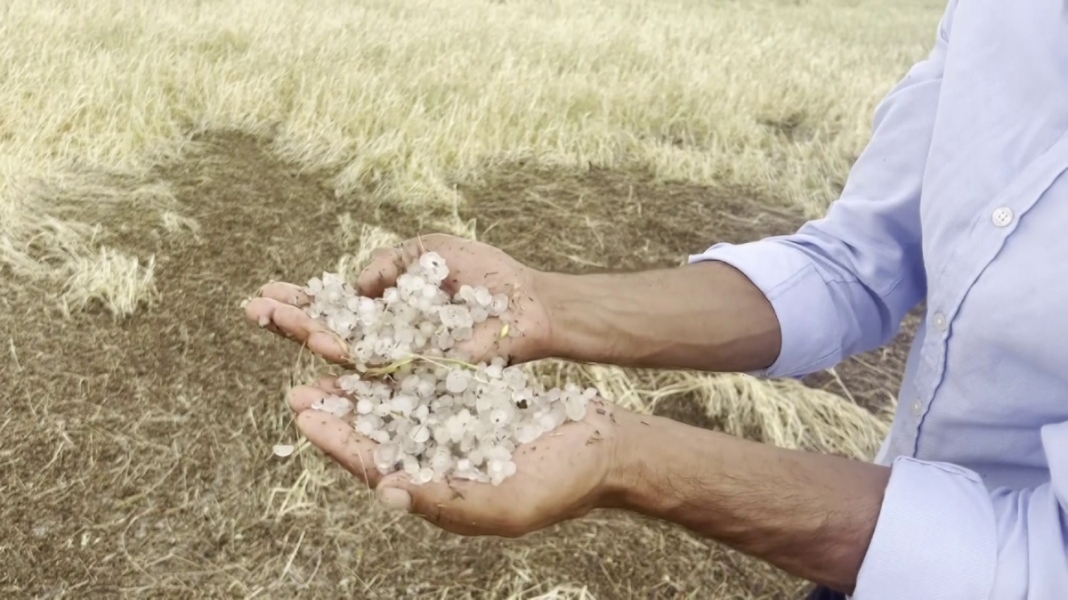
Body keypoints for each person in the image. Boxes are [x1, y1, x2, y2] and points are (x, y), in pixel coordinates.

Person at [245, 1, 1068, 597]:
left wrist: (628, 457)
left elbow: (1042, 560)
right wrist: (545, 304)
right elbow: (854, 263)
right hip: (860, 563)